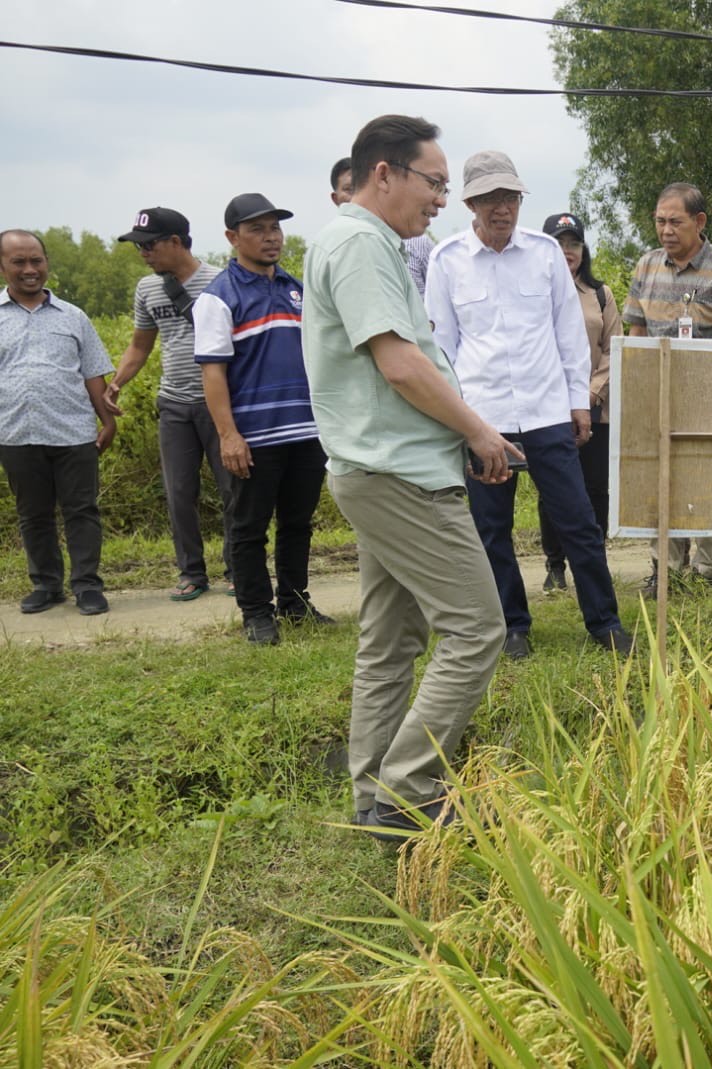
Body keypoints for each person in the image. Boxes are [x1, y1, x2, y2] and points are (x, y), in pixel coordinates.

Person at [302, 114, 523, 838]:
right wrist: (479, 430)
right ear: (385, 173)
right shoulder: (362, 243)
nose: (440, 199)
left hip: (378, 465)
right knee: (476, 628)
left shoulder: (355, 241)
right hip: (399, 475)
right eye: (434, 183)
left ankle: (373, 793)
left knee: (390, 639)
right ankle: (409, 786)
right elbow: (400, 364)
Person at [427, 153, 633, 661]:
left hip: (546, 413)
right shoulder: (446, 259)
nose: (504, 208)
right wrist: (457, 421)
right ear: (471, 202)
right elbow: (443, 349)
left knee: (578, 521)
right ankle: (512, 626)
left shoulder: (543, 254)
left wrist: (577, 404)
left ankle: (604, 622)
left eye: (512, 197)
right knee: (490, 528)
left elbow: (568, 333)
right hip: (484, 418)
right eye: (493, 199)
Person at [193, 194, 331, 645]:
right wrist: (228, 435)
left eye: (275, 228)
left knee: (298, 523)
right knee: (248, 527)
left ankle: (294, 602)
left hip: (305, 431)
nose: (270, 238)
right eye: (258, 229)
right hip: (252, 437)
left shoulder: (297, 288)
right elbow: (213, 374)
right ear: (233, 238)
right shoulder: (219, 297)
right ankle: (256, 613)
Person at [623, 182, 712, 595]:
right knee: (659, 482)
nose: (666, 230)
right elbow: (636, 333)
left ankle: (706, 574)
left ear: (699, 222)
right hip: (659, 399)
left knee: (706, 483)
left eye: (675, 222)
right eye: (660, 221)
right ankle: (664, 570)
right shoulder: (646, 266)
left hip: (710, 401)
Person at [108, 207, 233, 602]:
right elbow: (139, 345)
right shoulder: (148, 289)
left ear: (176, 242)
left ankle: (239, 568)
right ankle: (191, 573)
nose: (143, 253)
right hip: (174, 404)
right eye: (139, 247)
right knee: (179, 492)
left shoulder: (222, 281)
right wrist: (116, 384)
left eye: (149, 245)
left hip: (220, 405)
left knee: (235, 489)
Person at [0, 229, 116, 616]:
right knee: (33, 514)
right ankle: (47, 586)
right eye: (19, 262)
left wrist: (107, 421)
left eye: (37, 260)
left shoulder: (73, 316)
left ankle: (87, 586)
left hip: (73, 432)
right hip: (16, 433)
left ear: (47, 263)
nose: (30, 269)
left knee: (82, 511)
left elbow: (93, 373)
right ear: (3, 266)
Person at [536, 211, 621, 595]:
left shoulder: (600, 295)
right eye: (559, 243)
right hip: (549, 408)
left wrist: (588, 393)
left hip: (595, 406)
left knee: (595, 488)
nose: (567, 251)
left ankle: (594, 557)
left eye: (573, 243)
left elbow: (612, 349)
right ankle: (555, 566)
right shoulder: (534, 292)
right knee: (552, 487)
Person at [331, 156, 433, 298]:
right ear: (335, 199)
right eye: (349, 190)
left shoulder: (417, 241)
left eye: (361, 188)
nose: (356, 196)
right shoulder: (332, 249)